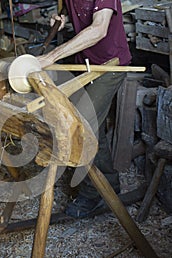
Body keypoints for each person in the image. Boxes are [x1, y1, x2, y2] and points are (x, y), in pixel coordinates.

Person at [37, 0, 132, 218]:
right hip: (84, 64)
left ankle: (91, 194)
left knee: (81, 125)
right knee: (94, 123)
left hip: (111, 65)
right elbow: (71, 11)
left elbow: (99, 28)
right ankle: (109, 181)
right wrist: (61, 20)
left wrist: (50, 57)